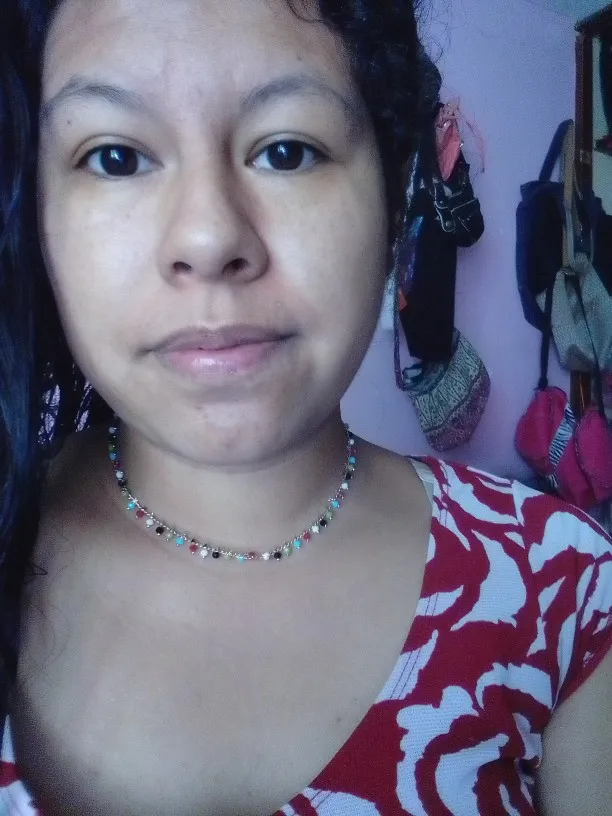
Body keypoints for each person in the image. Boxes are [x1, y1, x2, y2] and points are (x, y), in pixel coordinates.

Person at [0, 0, 610, 813]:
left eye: (286, 150)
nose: (209, 238)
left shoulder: (564, 585)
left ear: (392, 196)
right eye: (115, 157)